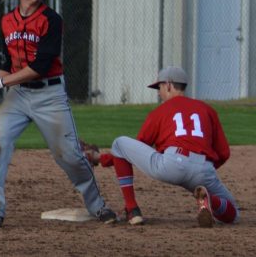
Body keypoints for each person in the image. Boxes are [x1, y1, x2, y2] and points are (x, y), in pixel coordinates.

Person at [0, 0, 116, 228]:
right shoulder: (7, 21)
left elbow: (39, 67)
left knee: (70, 156)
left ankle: (97, 206)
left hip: (49, 95)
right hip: (16, 96)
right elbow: (7, 63)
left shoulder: (51, 19)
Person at [87, 66, 239, 227]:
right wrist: (201, 170)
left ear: (168, 85)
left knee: (120, 143)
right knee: (233, 213)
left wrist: (100, 158)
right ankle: (209, 199)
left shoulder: (160, 112)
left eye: (159, 87)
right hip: (204, 169)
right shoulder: (208, 110)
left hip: (172, 165)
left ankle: (132, 210)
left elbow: (133, 151)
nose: (159, 93)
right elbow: (223, 153)